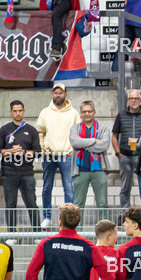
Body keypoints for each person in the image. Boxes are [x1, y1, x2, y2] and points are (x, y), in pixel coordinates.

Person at [36, 83, 80, 228]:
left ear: (65, 94)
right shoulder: (45, 112)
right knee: (46, 187)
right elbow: (40, 132)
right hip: (49, 156)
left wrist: (73, 148)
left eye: (60, 93)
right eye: (55, 93)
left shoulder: (73, 113)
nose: (58, 95)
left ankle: (69, 219)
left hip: (66, 155)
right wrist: (43, 148)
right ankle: (47, 217)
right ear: (52, 94)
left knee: (68, 188)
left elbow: (77, 133)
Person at [0, 100, 41, 231]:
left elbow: (38, 153)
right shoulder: (3, 130)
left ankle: (37, 232)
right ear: (11, 112)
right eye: (15, 111)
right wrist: (10, 151)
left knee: (32, 203)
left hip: (27, 173)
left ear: (24, 111)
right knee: (10, 204)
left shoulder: (31, 130)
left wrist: (24, 152)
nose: (17, 114)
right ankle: (11, 233)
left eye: (20, 111)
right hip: (9, 173)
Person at [111, 90, 141, 207]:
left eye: (136, 98)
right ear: (128, 100)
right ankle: (125, 214)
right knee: (125, 188)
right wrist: (118, 154)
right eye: (131, 98)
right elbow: (114, 136)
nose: (134, 101)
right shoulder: (121, 115)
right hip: (125, 156)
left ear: (140, 100)